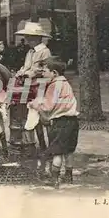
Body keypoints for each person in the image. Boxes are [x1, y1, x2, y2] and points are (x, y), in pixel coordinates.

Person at [28, 57, 79, 189]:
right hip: (73, 121)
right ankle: (69, 175)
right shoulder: (66, 83)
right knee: (68, 151)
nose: (43, 74)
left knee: (57, 152)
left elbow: (48, 106)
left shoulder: (53, 85)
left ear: (54, 73)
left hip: (60, 122)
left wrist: (34, 105)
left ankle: (54, 178)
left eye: (45, 71)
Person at [13, 21, 52, 154]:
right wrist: (21, 72)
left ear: (36, 38)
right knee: (33, 115)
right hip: (30, 87)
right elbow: (26, 67)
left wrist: (28, 73)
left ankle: (50, 146)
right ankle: (42, 146)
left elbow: (44, 69)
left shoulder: (45, 52)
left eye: (29, 37)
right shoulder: (30, 52)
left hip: (41, 86)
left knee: (44, 116)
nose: (27, 40)